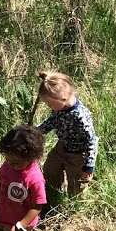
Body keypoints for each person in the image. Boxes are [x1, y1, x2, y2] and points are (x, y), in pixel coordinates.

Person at [35, 70, 99, 199]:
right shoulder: (60, 109)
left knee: (76, 184)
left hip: (78, 155)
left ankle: (76, 204)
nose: (49, 106)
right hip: (61, 148)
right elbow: (52, 121)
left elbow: (91, 141)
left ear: (62, 99)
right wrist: (36, 132)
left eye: (49, 103)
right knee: (50, 170)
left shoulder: (80, 117)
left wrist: (89, 165)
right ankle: (53, 194)